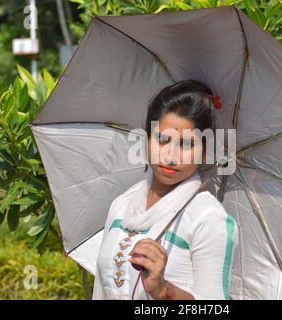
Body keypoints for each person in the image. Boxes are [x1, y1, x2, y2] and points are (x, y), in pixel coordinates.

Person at [92, 80, 238, 300]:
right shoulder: (122, 205)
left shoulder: (207, 218)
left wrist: (163, 290)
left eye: (187, 145)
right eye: (162, 140)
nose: (170, 156)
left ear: (205, 150)